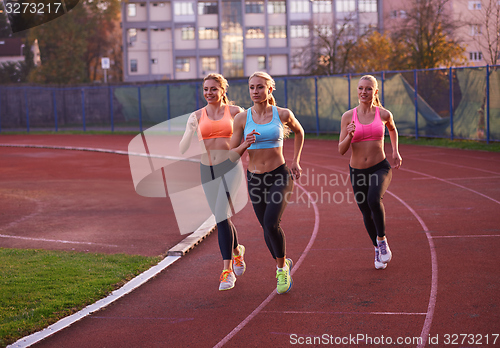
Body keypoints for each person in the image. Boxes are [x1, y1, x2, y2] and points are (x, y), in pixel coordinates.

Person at [230, 71, 304, 294]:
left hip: (279, 175)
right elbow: (231, 155)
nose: (255, 91)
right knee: (266, 227)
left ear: (269, 89)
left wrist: (296, 161)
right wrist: (245, 145)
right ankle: (283, 261)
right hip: (254, 178)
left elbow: (300, 132)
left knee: (272, 223)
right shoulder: (242, 118)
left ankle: (281, 269)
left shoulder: (282, 114)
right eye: (252, 87)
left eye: (260, 87)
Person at [179, 73, 246, 291]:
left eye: (213, 89)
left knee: (220, 215)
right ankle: (237, 252)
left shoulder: (236, 113)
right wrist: (189, 129)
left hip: (230, 168)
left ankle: (227, 272)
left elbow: (250, 136)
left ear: (223, 91)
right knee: (222, 216)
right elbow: (182, 147)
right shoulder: (197, 115)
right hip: (207, 170)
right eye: (206, 89)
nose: (209, 93)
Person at [338, 75, 402, 270]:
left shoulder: (383, 114)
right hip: (357, 171)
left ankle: (382, 240)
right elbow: (341, 149)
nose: (363, 92)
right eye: (360, 88)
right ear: (357, 91)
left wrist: (395, 150)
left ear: (375, 92)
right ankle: (376, 247)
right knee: (366, 211)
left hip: (380, 167)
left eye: (368, 89)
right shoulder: (348, 116)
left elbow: (392, 129)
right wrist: (349, 135)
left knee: (374, 199)